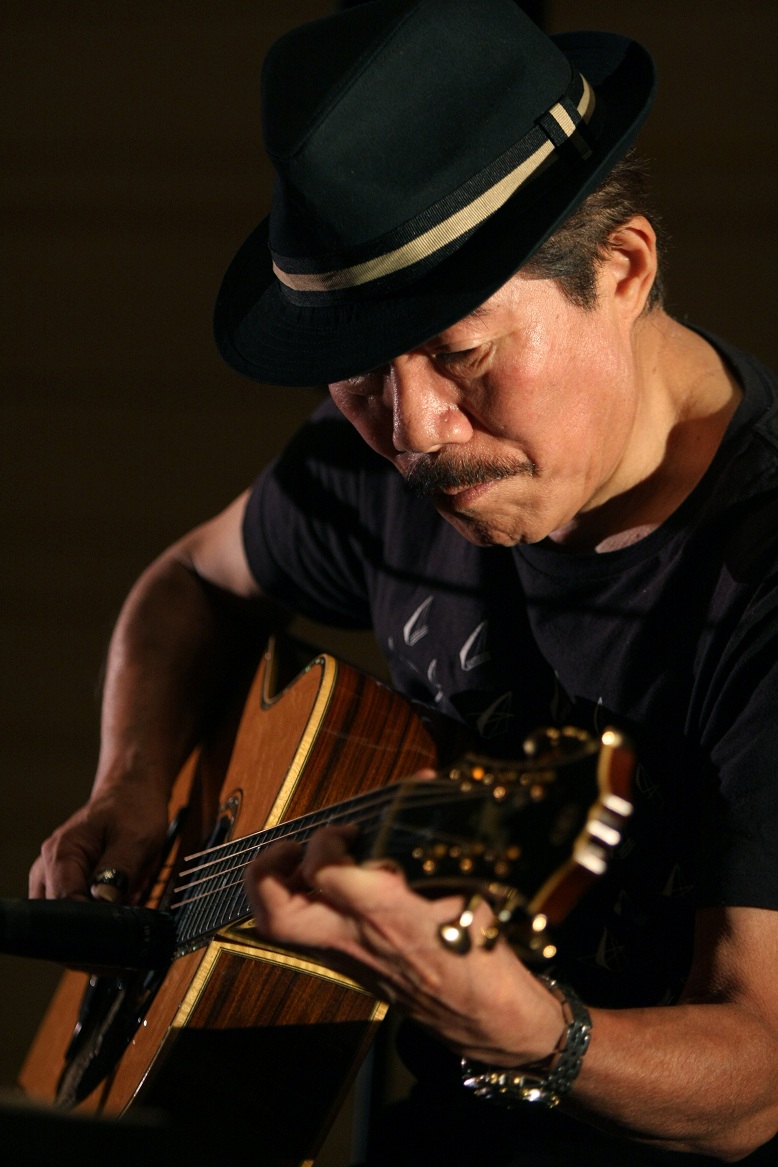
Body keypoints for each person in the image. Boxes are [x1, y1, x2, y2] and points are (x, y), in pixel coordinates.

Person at [29, 1, 778, 1163]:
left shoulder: (758, 585)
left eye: (463, 352)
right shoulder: (374, 462)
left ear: (623, 268)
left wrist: (537, 1038)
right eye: (361, 377)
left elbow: (756, 1082)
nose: (416, 430)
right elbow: (191, 583)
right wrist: (130, 785)